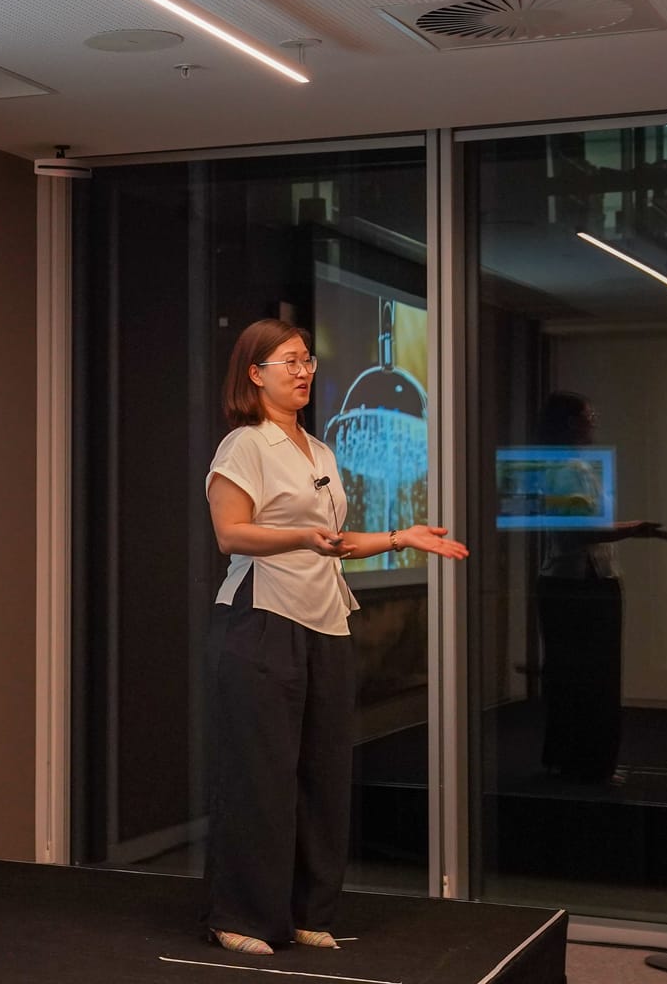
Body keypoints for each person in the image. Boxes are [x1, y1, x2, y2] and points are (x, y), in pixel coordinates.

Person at [203, 319, 468, 955]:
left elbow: (335, 542)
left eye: (308, 362)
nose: (303, 372)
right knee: (261, 775)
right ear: (255, 373)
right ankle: (239, 915)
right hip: (262, 619)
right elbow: (231, 534)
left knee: (324, 773)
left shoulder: (319, 451)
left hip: (326, 621)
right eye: (289, 361)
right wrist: (297, 538)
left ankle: (305, 912)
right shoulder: (245, 445)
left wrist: (403, 538)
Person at [532, 392, 667, 782]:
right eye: (586, 415)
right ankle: (586, 764)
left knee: (584, 678)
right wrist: (636, 530)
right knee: (589, 679)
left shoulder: (574, 467)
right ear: (569, 423)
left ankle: (580, 761)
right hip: (577, 588)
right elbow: (578, 532)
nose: (593, 420)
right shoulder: (564, 470)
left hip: (581, 584)